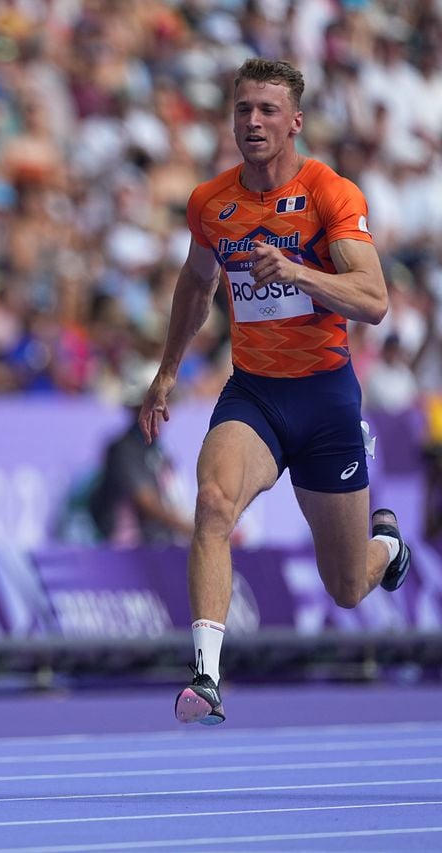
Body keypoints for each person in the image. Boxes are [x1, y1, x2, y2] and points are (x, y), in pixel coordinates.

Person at [139, 59, 411, 727]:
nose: (252, 122)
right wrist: (167, 371)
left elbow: (374, 301)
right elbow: (196, 286)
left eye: (266, 111)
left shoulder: (329, 192)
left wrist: (296, 269)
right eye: (242, 110)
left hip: (325, 401)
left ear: (295, 121)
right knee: (211, 502)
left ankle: (390, 546)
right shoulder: (212, 202)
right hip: (255, 395)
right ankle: (206, 673)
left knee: (347, 586)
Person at [89, 361, 194, 547]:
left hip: (158, 546)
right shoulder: (123, 449)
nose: (165, 408)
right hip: (129, 551)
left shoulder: (159, 450)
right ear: (139, 406)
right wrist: (191, 529)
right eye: (159, 401)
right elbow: (146, 502)